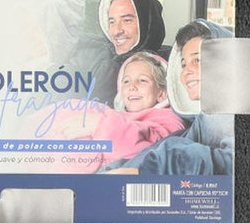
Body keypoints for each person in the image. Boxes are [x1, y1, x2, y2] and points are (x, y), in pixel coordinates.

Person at [103, 19, 235, 176]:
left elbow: (232, 164)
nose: (186, 71)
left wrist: (157, 165)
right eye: (184, 64)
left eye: (197, 60)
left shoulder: (235, 111)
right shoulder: (205, 119)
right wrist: (118, 167)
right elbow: (164, 146)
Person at [32, 51, 185, 173]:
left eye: (142, 80)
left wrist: (100, 124)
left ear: (162, 93)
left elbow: (148, 151)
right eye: (126, 81)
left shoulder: (167, 118)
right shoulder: (116, 114)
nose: (132, 86)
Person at [88, 0, 172, 103]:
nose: (116, 31)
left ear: (147, 23)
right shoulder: (101, 62)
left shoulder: (173, 65)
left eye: (127, 20)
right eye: (112, 22)